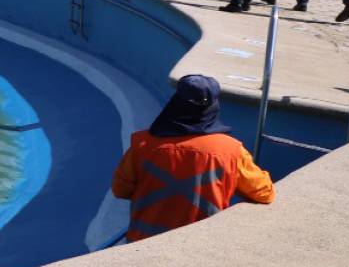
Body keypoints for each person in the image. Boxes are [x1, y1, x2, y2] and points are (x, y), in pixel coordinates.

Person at [110, 74, 274, 242]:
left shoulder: (142, 144)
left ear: (175, 104)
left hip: (142, 243)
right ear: (212, 107)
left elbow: (120, 189)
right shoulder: (231, 151)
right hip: (201, 245)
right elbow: (264, 192)